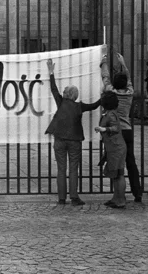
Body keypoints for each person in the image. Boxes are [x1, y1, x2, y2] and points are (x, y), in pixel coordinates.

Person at [45, 59, 101, 206]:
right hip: (74, 140)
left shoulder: (61, 102)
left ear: (66, 94)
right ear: (75, 95)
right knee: (73, 169)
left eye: (64, 91)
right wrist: (104, 97)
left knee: (61, 169)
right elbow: (94, 106)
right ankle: (74, 197)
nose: (62, 92)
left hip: (59, 139)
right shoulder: (79, 106)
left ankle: (62, 198)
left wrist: (51, 72)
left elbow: (53, 89)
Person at [100, 52, 143, 202]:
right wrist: (123, 64)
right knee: (131, 162)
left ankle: (118, 196)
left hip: (115, 133)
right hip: (128, 130)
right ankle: (137, 192)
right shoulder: (130, 93)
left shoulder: (112, 93)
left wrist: (103, 63)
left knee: (116, 165)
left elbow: (105, 79)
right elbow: (128, 78)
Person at [95, 91, 127, 208]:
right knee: (116, 174)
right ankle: (116, 198)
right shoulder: (109, 113)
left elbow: (116, 128)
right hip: (113, 147)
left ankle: (121, 200)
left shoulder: (111, 114)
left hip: (116, 148)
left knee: (119, 174)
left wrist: (104, 129)